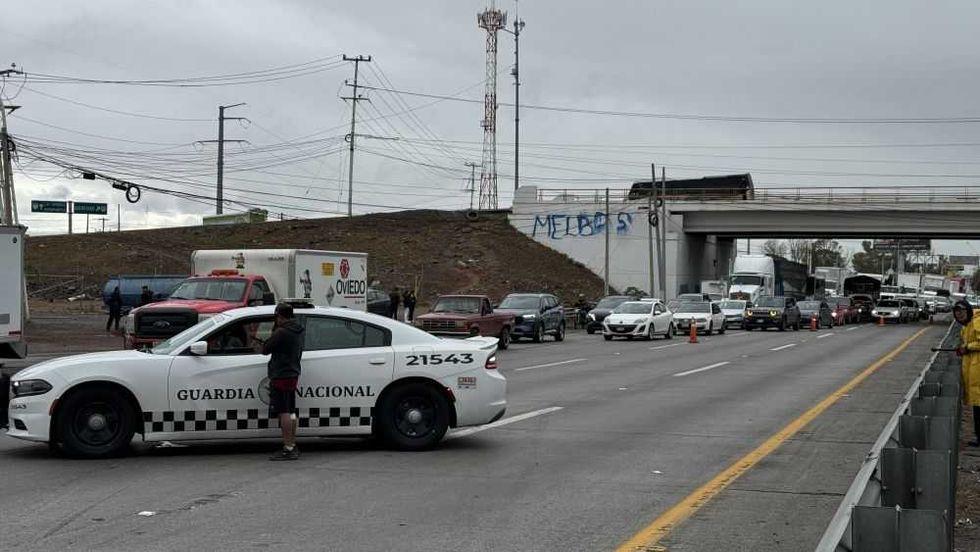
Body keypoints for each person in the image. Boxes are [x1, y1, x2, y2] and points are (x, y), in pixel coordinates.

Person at [256, 303, 305, 460]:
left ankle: (288, 448)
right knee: (291, 411)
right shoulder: (297, 329)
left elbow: (265, 349)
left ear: (280, 316)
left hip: (281, 375)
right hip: (292, 373)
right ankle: (292, 444)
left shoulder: (282, 332)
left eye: (276, 317)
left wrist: (273, 330)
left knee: (283, 411)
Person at [954, 300, 980, 447]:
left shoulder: (977, 322)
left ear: (968, 311)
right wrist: (963, 349)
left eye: (962, 312)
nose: (960, 315)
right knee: (977, 407)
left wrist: (968, 347)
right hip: (974, 371)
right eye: (957, 313)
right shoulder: (966, 326)